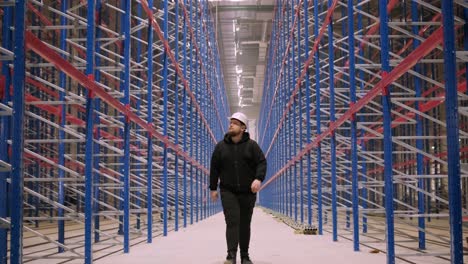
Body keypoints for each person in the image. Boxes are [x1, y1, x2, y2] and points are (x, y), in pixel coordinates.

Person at [210, 112, 267, 264]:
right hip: (228, 190)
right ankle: (231, 256)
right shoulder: (220, 147)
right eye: (231, 122)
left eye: (235, 123)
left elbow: (262, 162)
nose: (231, 125)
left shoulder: (252, 146)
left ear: (243, 128)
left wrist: (258, 179)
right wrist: (213, 188)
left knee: (245, 223)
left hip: (248, 192)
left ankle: (245, 256)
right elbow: (214, 168)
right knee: (232, 221)